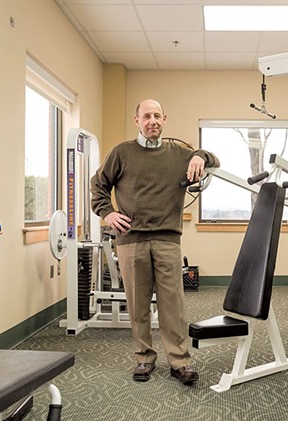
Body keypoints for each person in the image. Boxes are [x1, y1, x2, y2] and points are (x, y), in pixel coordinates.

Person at [90, 99, 219, 385]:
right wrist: (108, 213)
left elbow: (214, 159)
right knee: (137, 305)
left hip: (167, 239)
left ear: (165, 119)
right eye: (147, 116)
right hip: (130, 240)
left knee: (173, 303)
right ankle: (144, 358)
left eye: (157, 116)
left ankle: (180, 362)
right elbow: (98, 185)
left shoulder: (178, 153)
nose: (153, 121)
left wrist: (200, 155)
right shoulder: (122, 153)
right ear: (137, 120)